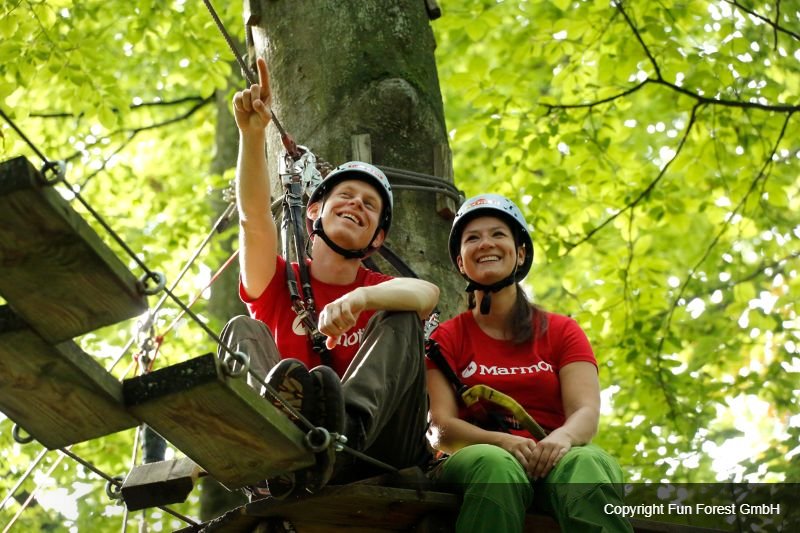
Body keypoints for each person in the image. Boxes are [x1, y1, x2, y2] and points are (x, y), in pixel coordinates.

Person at [219, 57, 439, 497]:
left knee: (401, 315)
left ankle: (343, 435)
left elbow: (427, 293)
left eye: (369, 206)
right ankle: (278, 440)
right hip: (291, 453)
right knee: (241, 328)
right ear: (315, 211)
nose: (356, 205)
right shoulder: (280, 282)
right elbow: (254, 220)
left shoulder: (378, 293)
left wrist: (359, 302)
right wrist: (251, 135)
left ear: (377, 240)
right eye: (346, 196)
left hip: (376, 451)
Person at [426, 194, 632, 532]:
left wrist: (561, 439)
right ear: (461, 263)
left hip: (555, 455)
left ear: (520, 252)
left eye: (498, 234)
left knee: (589, 464)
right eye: (472, 238)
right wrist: (501, 442)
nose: (485, 244)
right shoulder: (445, 339)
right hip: (481, 460)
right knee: (497, 468)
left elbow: (586, 412)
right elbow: (441, 430)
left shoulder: (561, 330)